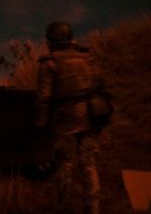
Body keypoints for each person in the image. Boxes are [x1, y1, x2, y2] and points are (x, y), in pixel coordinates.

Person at [35, 22, 103, 214]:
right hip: (90, 115)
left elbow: (43, 98)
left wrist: (41, 126)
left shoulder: (49, 63)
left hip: (65, 119)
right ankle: (93, 208)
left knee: (66, 163)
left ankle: (64, 207)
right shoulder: (86, 56)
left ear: (52, 40)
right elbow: (97, 82)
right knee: (88, 163)